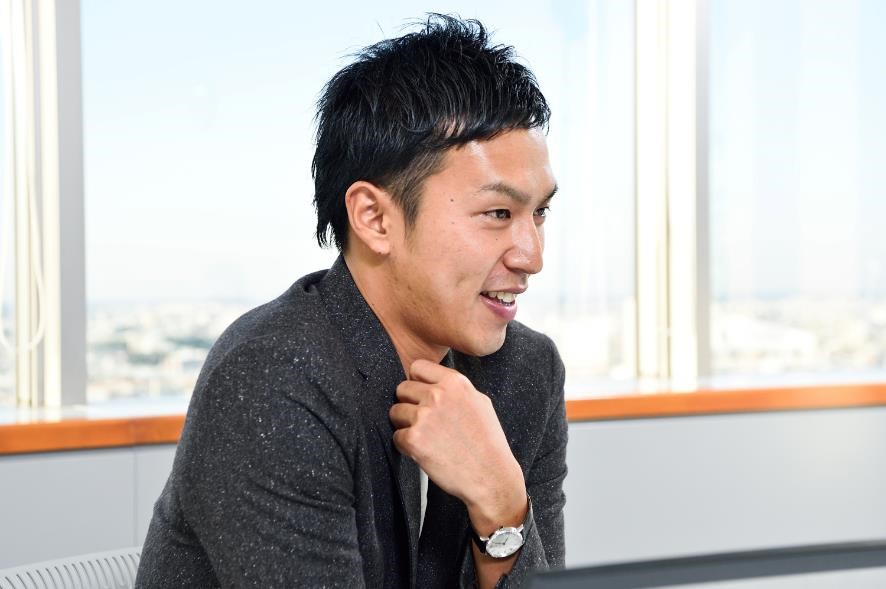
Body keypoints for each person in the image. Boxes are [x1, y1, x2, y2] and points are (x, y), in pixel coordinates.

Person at [136, 14, 567, 589]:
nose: (532, 255)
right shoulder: (273, 376)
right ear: (374, 218)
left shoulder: (526, 372)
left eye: (540, 212)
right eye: (498, 213)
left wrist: (502, 504)